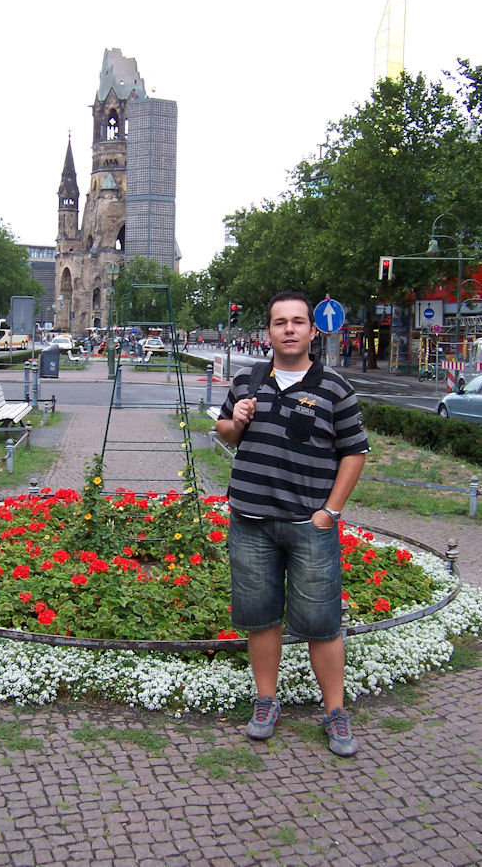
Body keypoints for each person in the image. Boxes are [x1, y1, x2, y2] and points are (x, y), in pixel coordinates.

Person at [215, 290, 368, 757]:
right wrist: (236, 420)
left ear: (312, 330)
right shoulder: (247, 380)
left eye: (297, 321)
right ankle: (266, 701)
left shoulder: (334, 388)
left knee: (322, 624)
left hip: (309, 525)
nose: (289, 329)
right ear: (269, 332)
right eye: (280, 322)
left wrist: (330, 513)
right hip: (250, 519)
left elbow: (355, 453)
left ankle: (335, 712)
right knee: (261, 619)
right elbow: (223, 432)